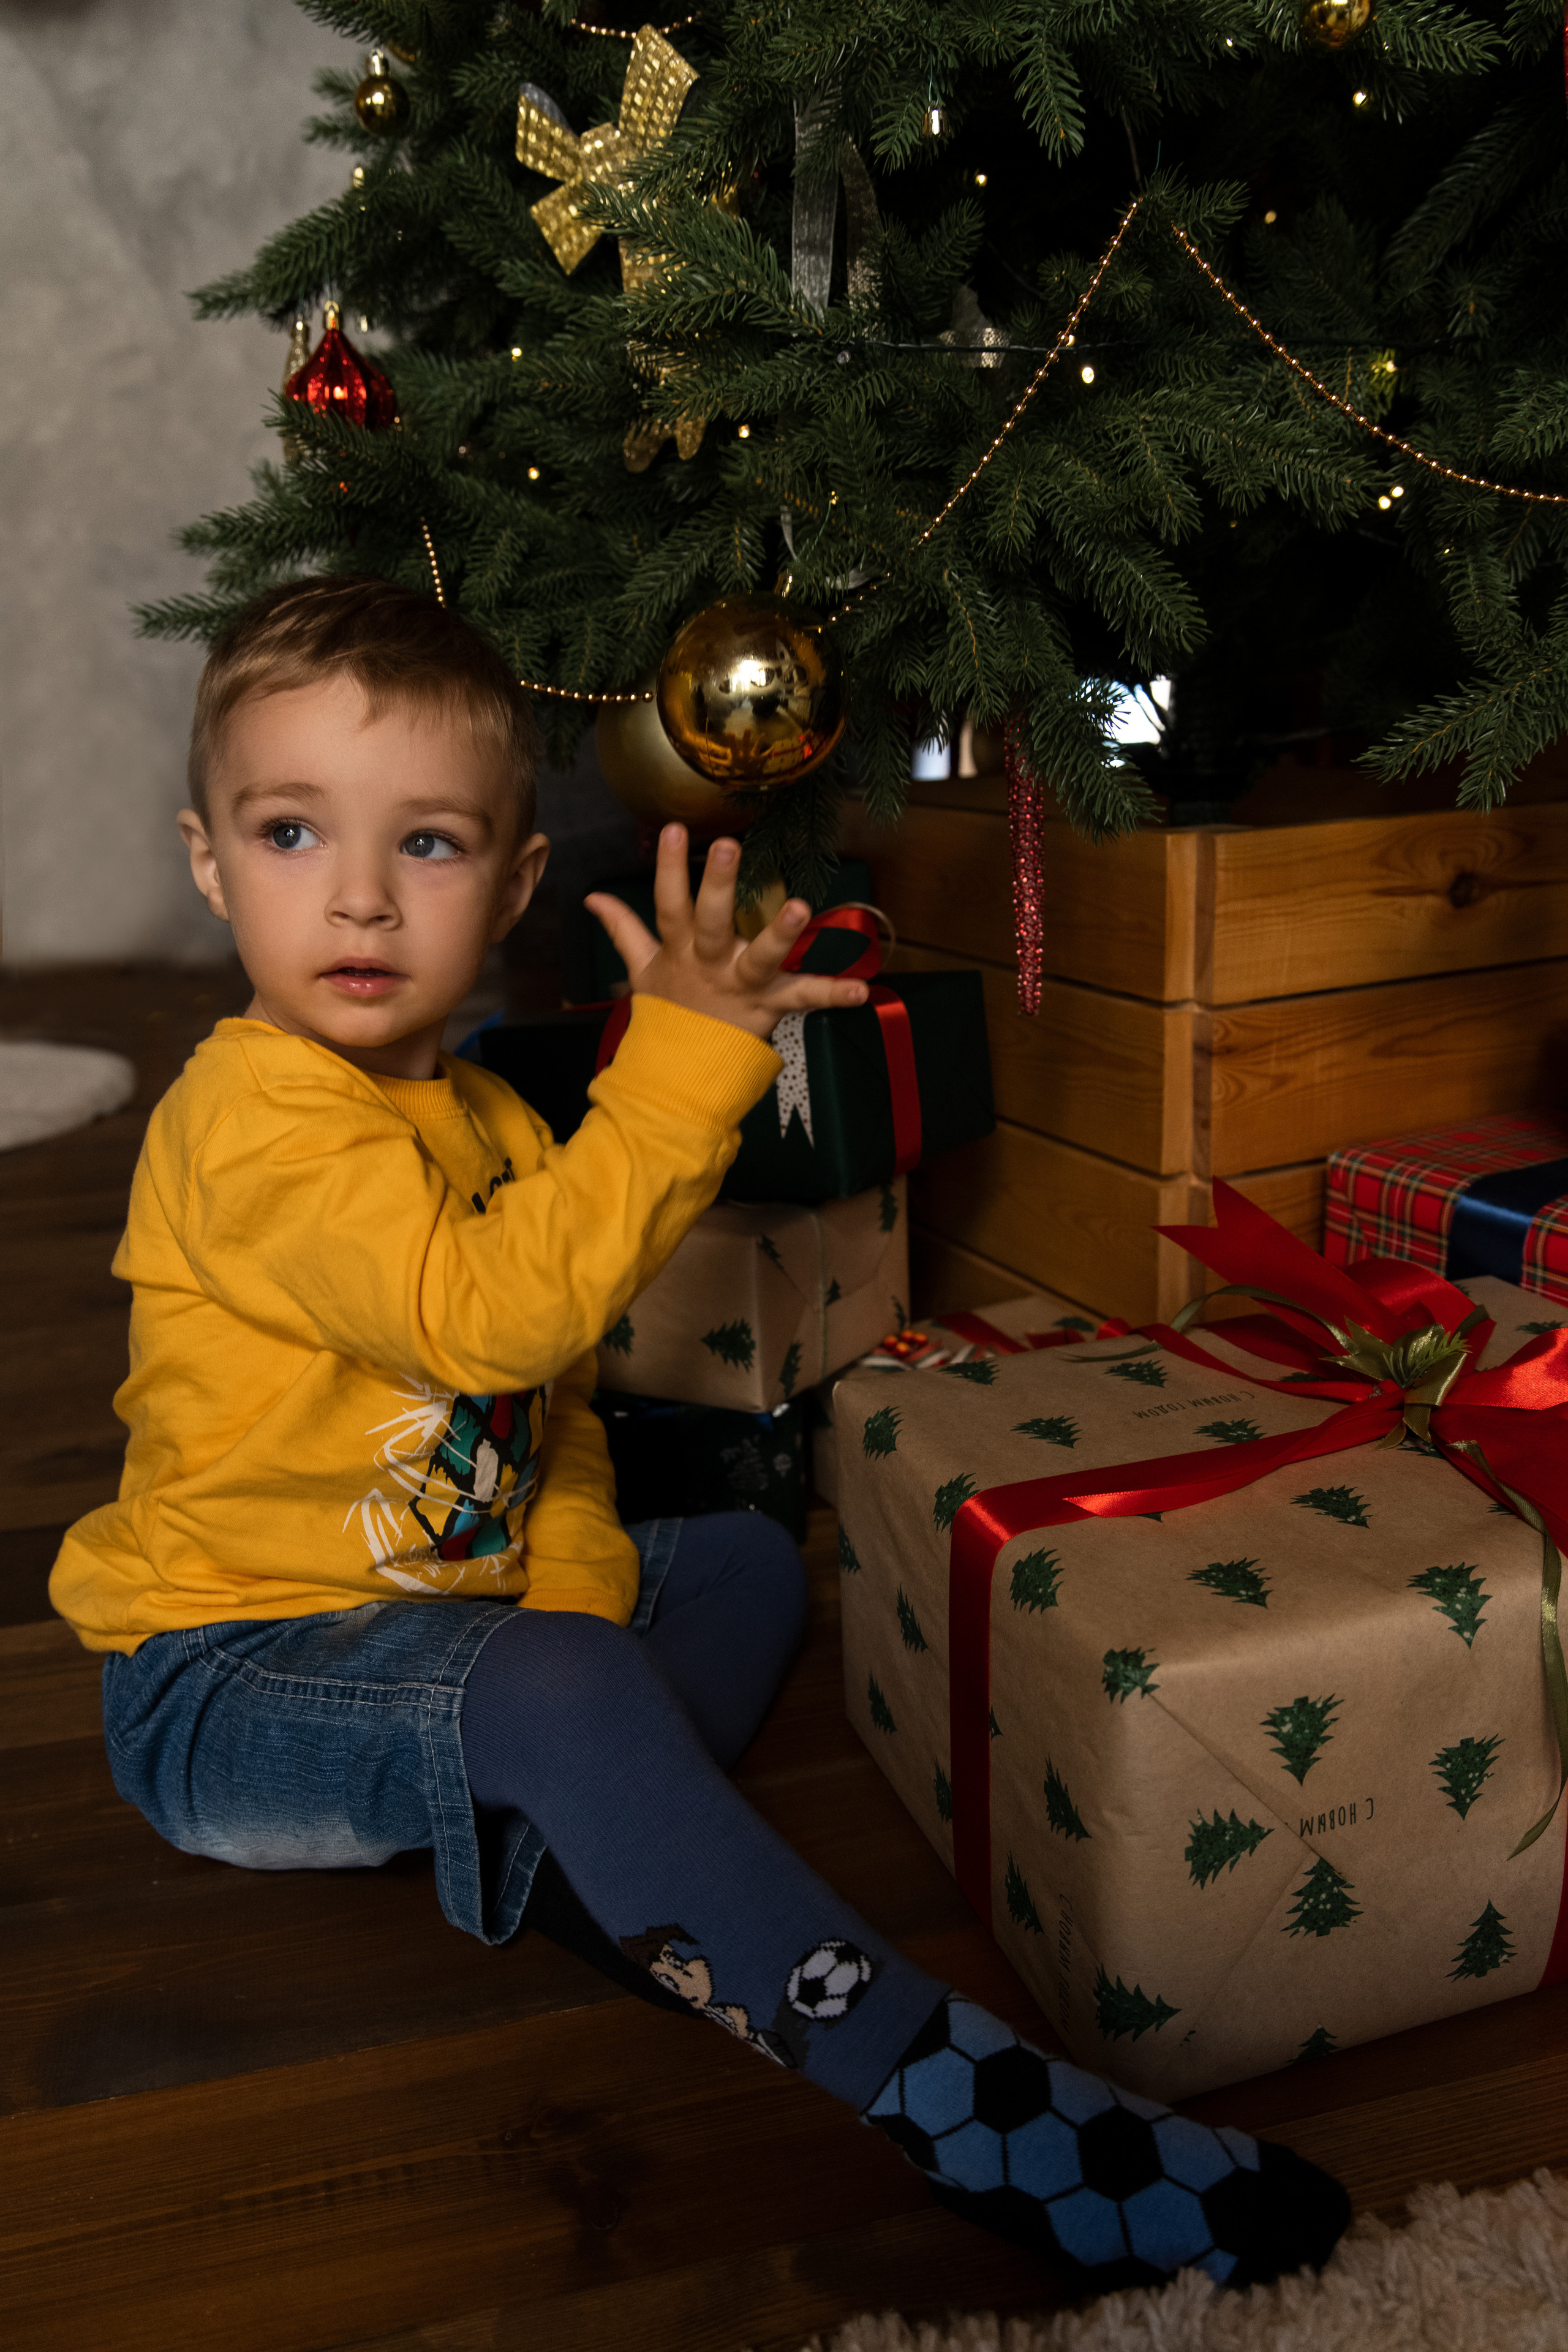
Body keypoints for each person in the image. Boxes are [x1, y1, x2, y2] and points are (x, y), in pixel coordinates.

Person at [51, 575, 1349, 2296]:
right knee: (560, 1689)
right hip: (235, 1672)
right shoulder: (246, 1122)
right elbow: (490, 1317)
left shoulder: (504, 1121)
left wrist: (575, 1610)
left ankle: (573, 1822)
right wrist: (676, 1069)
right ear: (213, 863)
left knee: (736, 1559)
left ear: (515, 881)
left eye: (426, 845)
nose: (358, 894)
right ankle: (948, 2093)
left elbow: (550, 1412)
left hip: (456, 1617)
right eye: (293, 832)